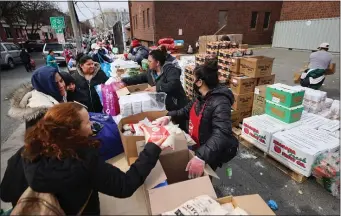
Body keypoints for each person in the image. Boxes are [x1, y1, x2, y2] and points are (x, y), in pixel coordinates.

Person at [0, 102, 166, 215]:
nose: (92, 125)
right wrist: (152, 147)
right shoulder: (82, 160)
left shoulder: (27, 150)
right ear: (73, 131)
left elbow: (6, 193)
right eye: (87, 123)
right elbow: (125, 185)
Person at [157, 60, 239, 177]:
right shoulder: (201, 98)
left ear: (199, 82)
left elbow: (221, 133)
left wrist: (201, 157)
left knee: (206, 177)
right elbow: (185, 111)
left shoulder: (220, 102)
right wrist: (169, 116)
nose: (193, 82)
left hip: (210, 151)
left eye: (194, 79)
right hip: (198, 146)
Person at [122, 49, 188, 130]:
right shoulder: (151, 71)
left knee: (180, 128)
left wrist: (157, 88)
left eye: (150, 61)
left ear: (157, 63)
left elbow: (174, 84)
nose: (147, 63)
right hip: (164, 105)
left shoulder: (170, 70)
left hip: (177, 104)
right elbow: (141, 77)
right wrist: (124, 81)